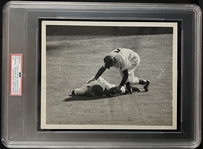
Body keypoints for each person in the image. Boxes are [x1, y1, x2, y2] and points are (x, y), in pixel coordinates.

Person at [71, 76, 140, 97]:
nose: (95, 96)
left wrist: (119, 92)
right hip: (94, 80)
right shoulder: (83, 90)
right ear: (91, 90)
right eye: (94, 94)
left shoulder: (103, 87)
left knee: (111, 89)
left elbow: (110, 93)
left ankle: (128, 88)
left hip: (100, 80)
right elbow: (73, 92)